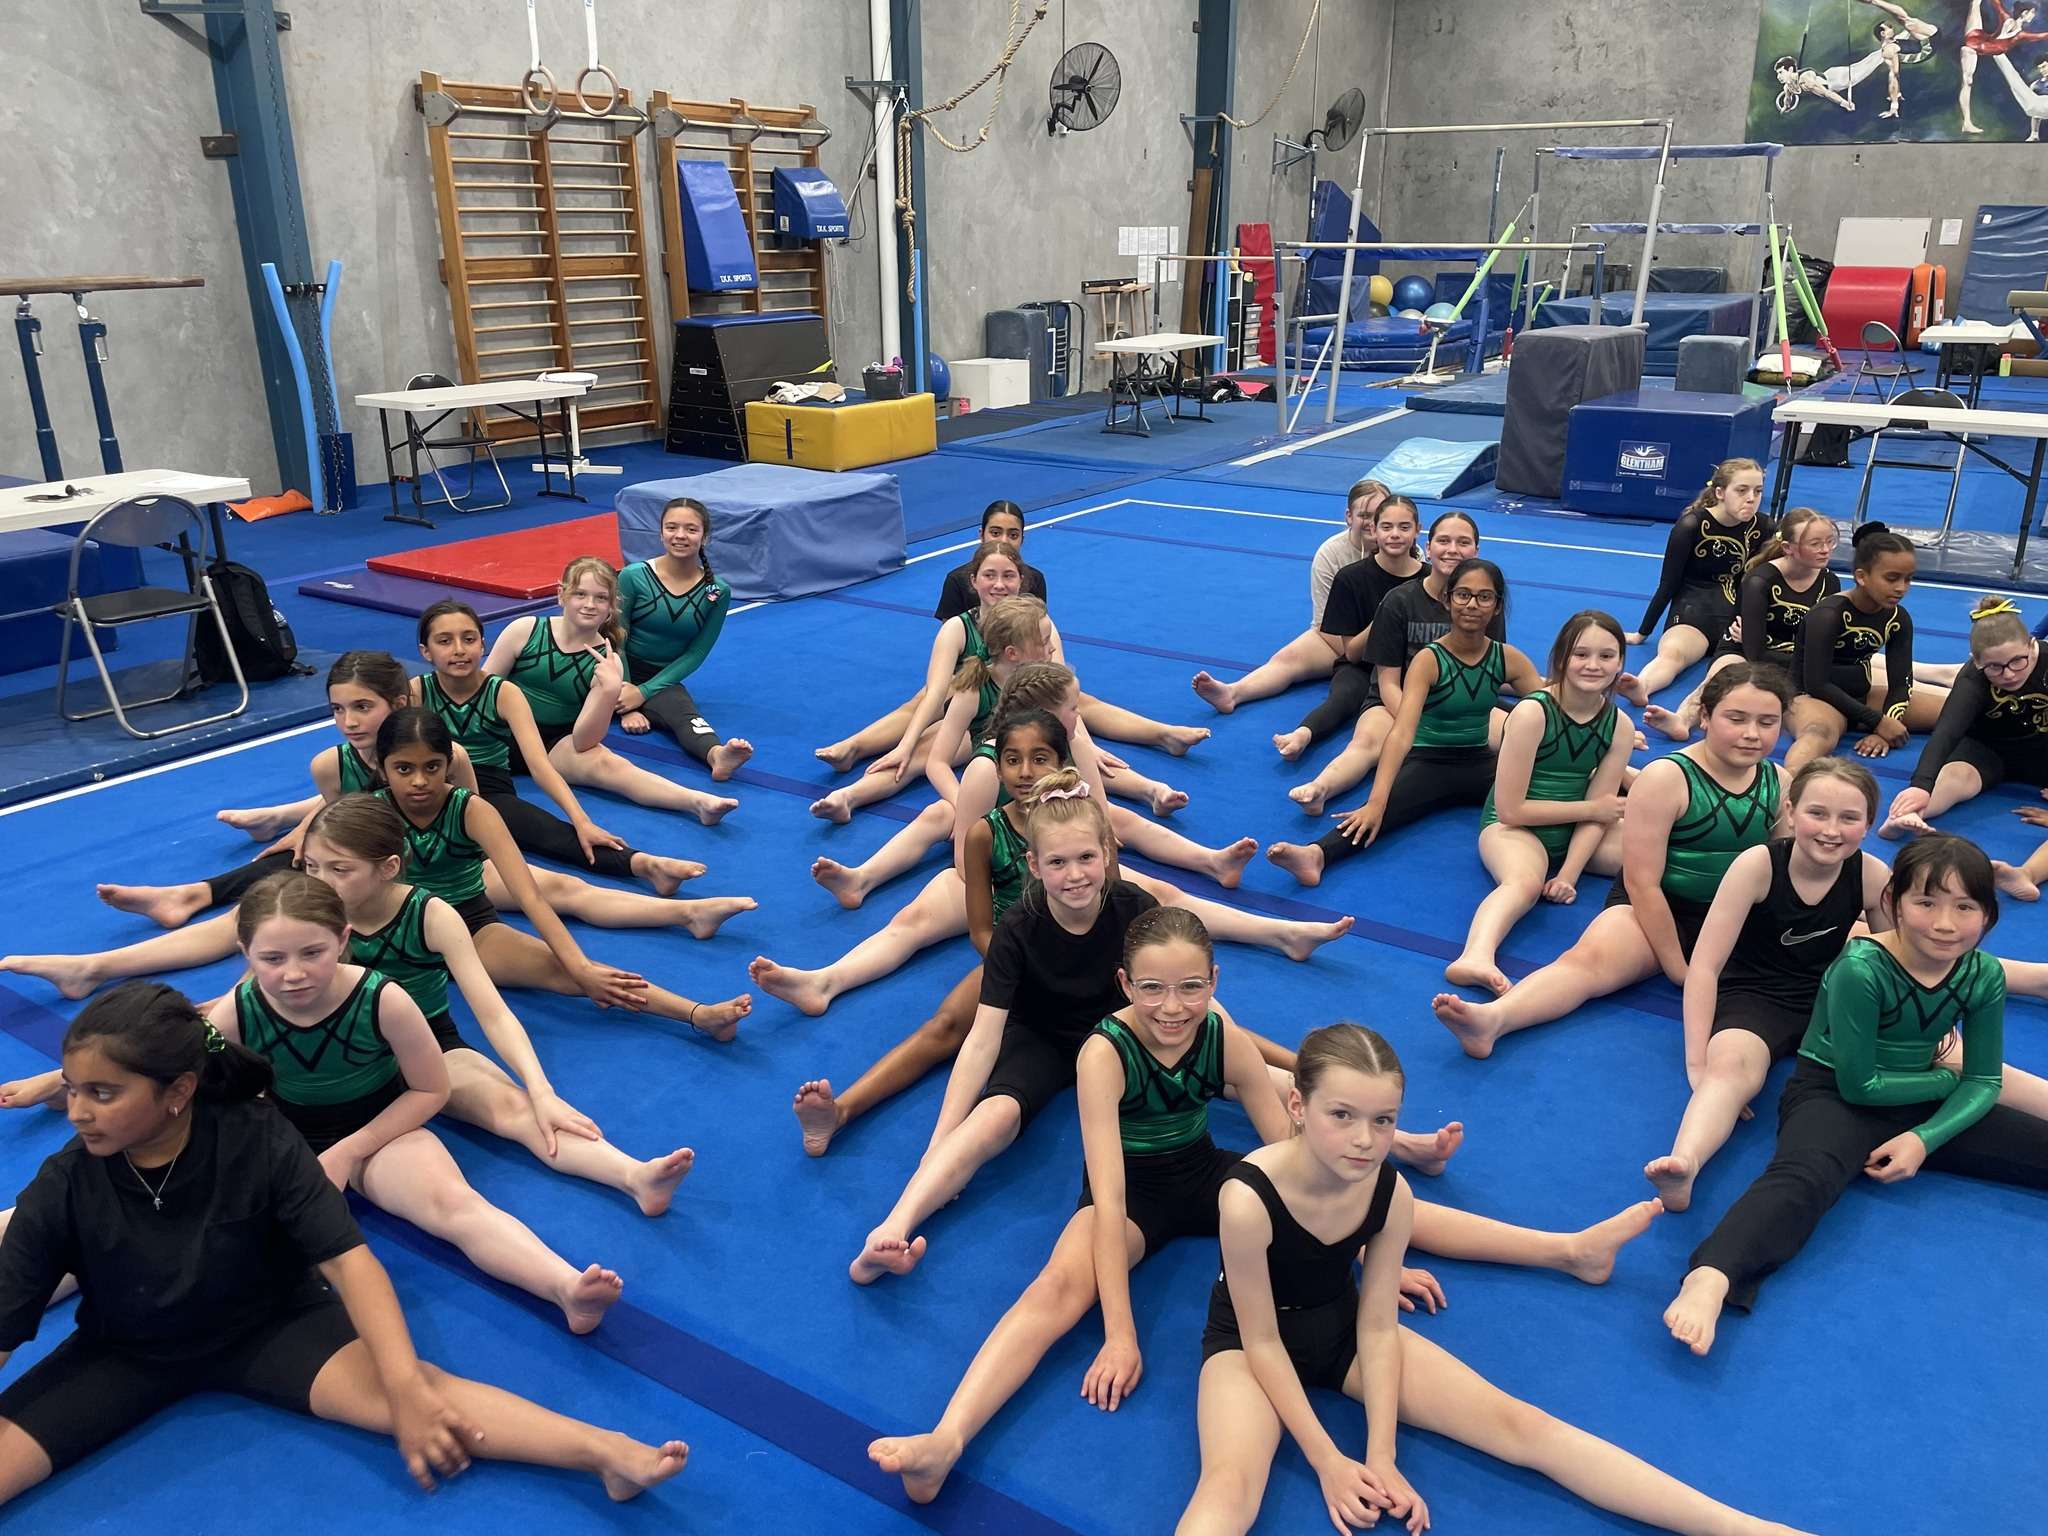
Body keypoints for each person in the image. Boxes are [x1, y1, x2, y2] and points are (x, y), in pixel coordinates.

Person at [0, 982, 688, 1507]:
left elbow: (352, 1265)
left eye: (102, 1092)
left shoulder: (257, 1141)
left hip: (270, 1326)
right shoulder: (68, 1182)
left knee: (427, 1394)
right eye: (73, 1090)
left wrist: (403, 1390)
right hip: (127, 1352)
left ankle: (604, 1451)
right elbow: (7, 1313)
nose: (80, 1111)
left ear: (179, 1090)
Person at [1175, 1024, 1817, 1536]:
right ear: (1297, 1103)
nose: (1366, 1141)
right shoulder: (1247, 1197)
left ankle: (1743, 1528)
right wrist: (1327, 1461)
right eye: (1341, 1116)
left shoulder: (1390, 1191)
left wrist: (1380, 1454)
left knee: (1526, 1428)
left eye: (1384, 1120)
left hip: (1340, 1328)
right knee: (1230, 1489)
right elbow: (1262, 1342)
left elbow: (1376, 1324)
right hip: (1246, 1348)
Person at [866, 907, 1294, 1502]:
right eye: (1153, 989)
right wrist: (1120, 1333)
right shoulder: (1104, 1051)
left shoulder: (1230, 1042)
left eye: (1191, 987)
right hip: (1128, 1193)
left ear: (1214, 982)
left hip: (1203, 1172)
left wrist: (1358, 1244)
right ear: (1125, 985)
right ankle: (945, 1441)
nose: (1173, 1007)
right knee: (1055, 1290)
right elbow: (1111, 1188)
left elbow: (1289, 1165)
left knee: (1374, 1208)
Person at [1664, 835, 2048, 1357]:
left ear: (1989, 915)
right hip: (1836, 1095)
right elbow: (1861, 1084)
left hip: (1921, 1101)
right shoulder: (1860, 968)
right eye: (1926, 902)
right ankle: (1711, 1276)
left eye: (1965, 907)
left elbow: (1982, 1082)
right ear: (1892, 903)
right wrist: (1943, 1083)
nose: (1944, 923)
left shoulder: (1981, 975)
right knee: (1801, 1180)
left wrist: (1923, 1137)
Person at [210, 874, 627, 1334]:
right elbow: (229, 1106)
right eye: (273, 958)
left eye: (313, 952)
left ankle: (565, 1288)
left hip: (382, 1127)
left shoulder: (381, 999)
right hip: (291, 1134)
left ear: (343, 937)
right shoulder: (233, 1015)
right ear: (245, 951)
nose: (294, 973)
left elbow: (430, 1091)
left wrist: (350, 1149)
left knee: (455, 1206)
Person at [846, 772, 1159, 1284]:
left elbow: (1181, 1006)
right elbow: (982, 1041)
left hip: (1119, 1031)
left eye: (1085, 858)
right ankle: (891, 1229)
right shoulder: (1018, 926)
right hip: (1042, 1036)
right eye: (1057, 862)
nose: (1075, 875)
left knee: (1224, 1059)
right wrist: (938, 1143)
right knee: (993, 1117)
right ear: (1033, 866)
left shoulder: (1135, 909)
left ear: (1107, 851)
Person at [1434, 663, 1792, 1058]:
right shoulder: (1666, 778)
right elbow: (1642, 883)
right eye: (1736, 719)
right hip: (1659, 907)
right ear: (1704, 717)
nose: (1751, 734)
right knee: (1586, 964)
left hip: (1739, 913)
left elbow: (1783, 869)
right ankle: (1493, 1019)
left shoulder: (1779, 780)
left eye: (1767, 722)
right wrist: (1678, 966)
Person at [1643, 759, 1890, 1214]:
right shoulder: (1757, 866)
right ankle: (1685, 1162)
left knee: (1941, 1052)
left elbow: (1894, 965)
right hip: (1755, 996)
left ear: (1869, 824)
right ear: (1791, 813)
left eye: (1849, 818)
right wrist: (1698, 1061)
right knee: (1733, 1070)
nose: (1831, 830)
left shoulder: (1871, 875)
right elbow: (1705, 967)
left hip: (1830, 998)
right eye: (1818, 813)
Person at [1269, 559, 1543, 887]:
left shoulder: (1510, 659)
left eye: (1484, 597)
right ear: (1447, 600)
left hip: (1482, 762)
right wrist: (1376, 800)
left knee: (1554, 792)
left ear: (1498, 607)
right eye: (1463, 595)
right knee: (1378, 814)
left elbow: (1552, 716)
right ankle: (1316, 855)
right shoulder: (1429, 660)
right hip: (1429, 760)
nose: (1472, 605)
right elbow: (1401, 734)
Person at [413, 602, 709, 891]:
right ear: (425, 651)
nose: (459, 649)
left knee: (552, 834)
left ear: (482, 644)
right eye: (444, 641)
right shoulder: (417, 691)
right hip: (430, 791)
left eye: (468, 639)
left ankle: (643, 864)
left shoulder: (504, 693)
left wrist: (582, 821)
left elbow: (541, 766)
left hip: (491, 792)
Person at [1444, 610, 1634, 996]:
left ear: (1620, 663)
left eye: (1606, 656)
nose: (1593, 665)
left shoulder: (1620, 727)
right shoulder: (1533, 712)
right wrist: (1590, 810)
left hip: (1577, 828)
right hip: (1513, 828)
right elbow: (1512, 808)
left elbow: (1600, 810)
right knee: (1524, 883)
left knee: (1658, 852)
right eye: (1581, 654)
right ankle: (1475, 955)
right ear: (1561, 658)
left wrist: (1569, 875)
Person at [484, 557, 739, 825]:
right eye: (580, 594)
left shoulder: (609, 661)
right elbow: (480, 693)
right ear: (562, 595)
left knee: (611, 765)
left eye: (600, 598)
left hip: (554, 744)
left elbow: (583, 741)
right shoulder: (525, 630)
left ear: (612, 605)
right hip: (498, 735)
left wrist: (608, 691)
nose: (589, 605)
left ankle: (696, 802)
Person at [1285, 510, 1501, 817]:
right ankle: (1322, 788)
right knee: (1366, 745)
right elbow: (1387, 681)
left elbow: (1492, 666)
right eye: (1444, 541)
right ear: (1428, 546)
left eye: (1463, 542)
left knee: (1519, 731)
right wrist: (1415, 722)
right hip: (1395, 699)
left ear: (1476, 551)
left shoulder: (1485, 600)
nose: (1453, 549)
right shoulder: (1400, 600)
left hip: (1460, 703)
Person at [1190, 479, 1401, 720]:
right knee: (1286, 660)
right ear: (1348, 516)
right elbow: (1326, 625)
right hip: (1338, 640)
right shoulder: (1331, 554)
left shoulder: (1404, 548)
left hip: (1392, 639)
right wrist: (1359, 652)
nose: (1372, 521)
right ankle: (1233, 692)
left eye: (1379, 513)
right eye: (1364, 514)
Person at [1643, 507, 1839, 743]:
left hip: (1790, 651)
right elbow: (1754, 652)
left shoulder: (1830, 582)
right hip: (1742, 649)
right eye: (1815, 543)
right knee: (1721, 677)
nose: (1825, 550)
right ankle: (1682, 720)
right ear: (1789, 548)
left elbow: (1824, 639)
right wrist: (1808, 660)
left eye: (1830, 541)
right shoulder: (1760, 579)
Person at [1269, 494, 1425, 762]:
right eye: (1386, 527)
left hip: (1413, 667)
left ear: (1418, 531)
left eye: (1404, 527)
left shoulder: (1430, 578)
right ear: (1374, 530)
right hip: (1363, 665)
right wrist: (1385, 614)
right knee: (1342, 698)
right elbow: (1351, 652)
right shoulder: (1351, 578)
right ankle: (1303, 734)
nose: (1395, 535)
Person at [1784, 524, 1946, 773]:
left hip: (1863, 697)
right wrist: (1877, 721)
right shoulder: (1828, 615)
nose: (1901, 588)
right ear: (1862, 576)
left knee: (1952, 712)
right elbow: (1816, 683)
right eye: (1891, 578)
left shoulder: (1898, 618)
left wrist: (1888, 726)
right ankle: (1784, 795)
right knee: (1818, 736)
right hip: (1813, 699)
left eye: (1908, 579)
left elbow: (1901, 683)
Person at [1882, 597, 2048, 837]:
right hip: (1988, 749)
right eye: (1995, 667)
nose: (2009, 674)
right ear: (1975, 659)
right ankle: (1907, 815)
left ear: (2032, 645)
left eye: (2017, 661)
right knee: (1957, 778)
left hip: (2042, 749)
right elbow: (1945, 734)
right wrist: (1920, 787)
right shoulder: (1972, 679)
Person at [613, 497, 753, 780]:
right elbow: (617, 638)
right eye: (672, 527)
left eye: (691, 529)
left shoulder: (716, 591)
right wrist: (624, 696)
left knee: (683, 714)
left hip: (662, 674)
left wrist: (643, 693)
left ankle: (716, 756)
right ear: (660, 532)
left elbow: (696, 653)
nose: (680, 536)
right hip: (614, 665)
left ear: (705, 536)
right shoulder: (634, 576)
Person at [1627, 458, 1770, 704]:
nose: (1751, 498)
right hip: (1694, 613)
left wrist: (1754, 624)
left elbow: (1767, 582)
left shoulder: (1765, 526)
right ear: (1720, 492)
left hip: (1737, 619)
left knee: (1723, 673)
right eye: (1741, 490)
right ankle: (1642, 686)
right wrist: (1643, 632)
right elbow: (1668, 583)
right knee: (1672, 656)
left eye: (1757, 491)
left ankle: (1691, 709)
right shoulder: (1691, 525)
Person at [934, 499, 1047, 621]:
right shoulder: (956, 581)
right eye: (995, 533)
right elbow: (950, 634)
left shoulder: (1035, 580)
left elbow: (1038, 631)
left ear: (1022, 539)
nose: (1004, 541)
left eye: (1013, 535)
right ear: (981, 535)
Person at [1959, 0, 2047, 133]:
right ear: (2024, 13)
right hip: (1974, 39)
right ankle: (1967, 122)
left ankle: (1966, 123)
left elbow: (2043, 36)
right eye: (2032, 13)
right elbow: (1997, 3)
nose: (2033, 17)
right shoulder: (2006, 18)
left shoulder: (2020, 35)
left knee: (1968, 81)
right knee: (1976, 2)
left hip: (1977, 45)